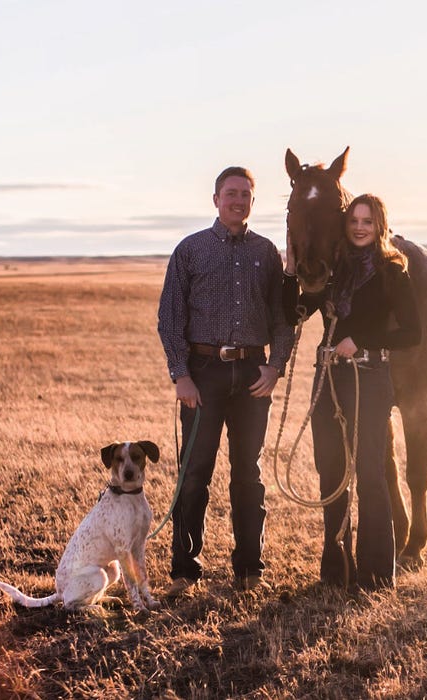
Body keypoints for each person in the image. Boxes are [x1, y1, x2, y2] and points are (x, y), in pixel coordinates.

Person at [157, 166, 294, 595]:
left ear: (253, 201)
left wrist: (276, 366)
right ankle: (184, 571)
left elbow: (283, 319)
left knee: (247, 475)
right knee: (194, 473)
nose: (238, 201)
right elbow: (170, 318)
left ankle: (250, 569)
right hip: (203, 374)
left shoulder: (267, 253)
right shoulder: (191, 250)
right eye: (230, 193)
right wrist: (181, 375)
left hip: (253, 373)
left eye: (245, 195)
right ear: (215, 199)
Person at [283, 193, 421, 591]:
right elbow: (292, 312)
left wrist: (359, 338)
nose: (360, 227)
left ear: (380, 226)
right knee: (330, 472)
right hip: (328, 378)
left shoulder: (393, 271)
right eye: (354, 220)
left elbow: (413, 332)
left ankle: (377, 574)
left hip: (370, 378)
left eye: (368, 221)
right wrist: (290, 271)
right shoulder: (334, 273)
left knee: (370, 473)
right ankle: (336, 570)